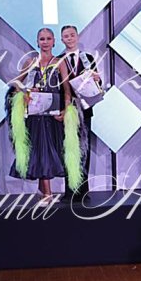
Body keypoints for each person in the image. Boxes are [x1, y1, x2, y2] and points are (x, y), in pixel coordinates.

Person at [8, 28, 82, 205]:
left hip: (52, 115)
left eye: (49, 39)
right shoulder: (30, 61)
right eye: (42, 39)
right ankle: (47, 193)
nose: (46, 42)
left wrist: (66, 110)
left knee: (50, 152)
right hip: (35, 115)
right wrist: (26, 92)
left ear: (54, 41)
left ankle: (44, 193)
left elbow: (66, 90)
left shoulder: (60, 62)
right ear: (37, 42)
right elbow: (16, 84)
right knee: (39, 151)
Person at [60, 24, 98, 199]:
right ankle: (70, 190)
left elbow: (96, 82)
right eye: (66, 36)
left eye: (72, 35)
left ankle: (83, 190)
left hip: (85, 109)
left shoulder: (87, 58)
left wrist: (97, 78)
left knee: (84, 149)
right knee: (69, 149)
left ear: (77, 36)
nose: (69, 38)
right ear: (62, 40)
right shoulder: (58, 60)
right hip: (66, 109)